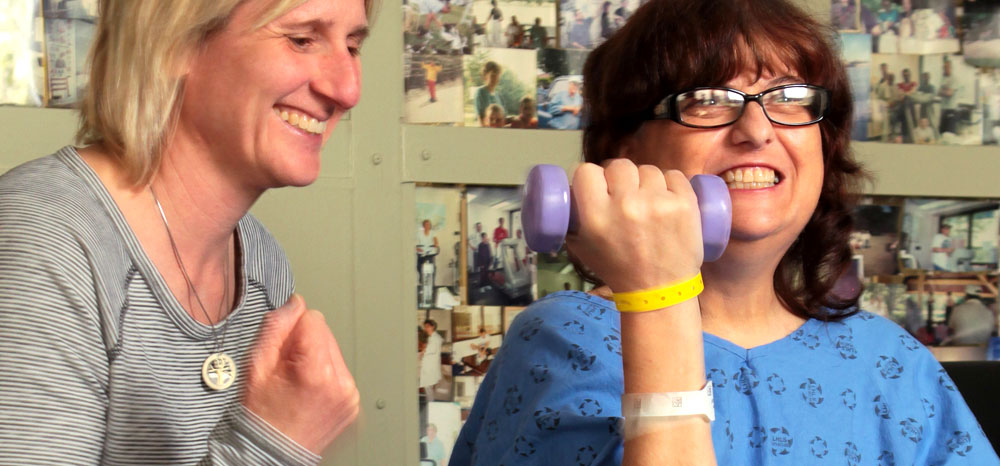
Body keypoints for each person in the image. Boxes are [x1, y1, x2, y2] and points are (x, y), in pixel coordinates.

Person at [450, 0, 999, 464]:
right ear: (624, 153)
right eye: (709, 99)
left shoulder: (893, 361)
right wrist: (657, 291)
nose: (758, 130)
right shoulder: (563, 340)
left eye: (790, 97)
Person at [0, 0, 371, 463]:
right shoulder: (45, 239)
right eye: (301, 39)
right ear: (174, 41)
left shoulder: (260, 264)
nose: (348, 89)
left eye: (353, 46)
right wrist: (272, 444)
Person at [419, 320, 443, 401]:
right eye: (425, 327)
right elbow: (425, 350)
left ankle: (430, 403)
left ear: (433, 327)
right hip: (428, 364)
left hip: (431, 365)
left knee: (428, 385)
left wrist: (423, 351)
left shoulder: (436, 338)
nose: (426, 328)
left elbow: (430, 350)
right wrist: (423, 351)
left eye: (428, 327)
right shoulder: (431, 337)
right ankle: (429, 402)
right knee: (427, 386)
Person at [474, 61, 503, 126]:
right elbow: (480, 119)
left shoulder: (498, 95)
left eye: (498, 75)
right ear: (485, 76)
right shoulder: (480, 92)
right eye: (493, 75)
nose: (496, 78)